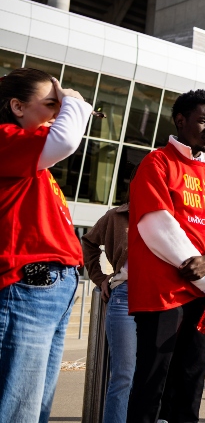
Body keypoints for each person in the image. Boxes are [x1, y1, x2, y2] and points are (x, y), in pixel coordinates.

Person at [126, 89, 205, 423]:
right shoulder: (156, 162)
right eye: (203, 120)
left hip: (203, 296)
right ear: (180, 120)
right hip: (163, 296)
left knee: (191, 383)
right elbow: (157, 226)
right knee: (152, 385)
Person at [0, 68, 93, 422]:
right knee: (18, 408)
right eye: (51, 104)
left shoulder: (28, 155)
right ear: (17, 107)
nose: (59, 112)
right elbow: (66, 140)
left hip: (49, 287)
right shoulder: (5, 138)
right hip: (27, 285)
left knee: (35, 406)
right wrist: (75, 102)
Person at [82, 164, 139, 423]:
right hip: (124, 296)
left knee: (154, 375)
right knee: (123, 375)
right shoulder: (116, 216)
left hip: (161, 299)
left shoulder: (170, 215)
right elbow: (89, 242)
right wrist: (99, 277)